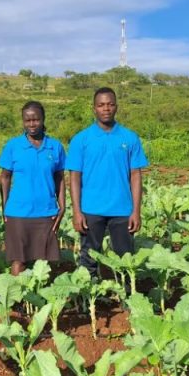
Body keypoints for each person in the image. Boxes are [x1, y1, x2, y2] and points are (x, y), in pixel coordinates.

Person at [67, 87, 148, 276]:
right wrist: (77, 211)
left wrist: (136, 211)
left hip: (122, 210)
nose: (106, 109)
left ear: (116, 107)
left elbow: (136, 175)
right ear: (94, 108)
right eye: (101, 105)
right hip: (90, 209)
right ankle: (89, 301)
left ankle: (127, 300)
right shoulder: (81, 139)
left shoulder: (129, 137)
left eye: (110, 104)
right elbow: (74, 177)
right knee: (88, 258)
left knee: (125, 259)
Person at [0, 101, 66, 275]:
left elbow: (60, 178)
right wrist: (5, 207)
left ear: (43, 119)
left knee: (43, 264)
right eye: (27, 120)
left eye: (36, 120)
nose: (32, 124)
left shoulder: (55, 146)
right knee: (18, 260)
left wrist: (62, 206)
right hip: (18, 212)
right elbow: (5, 177)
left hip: (46, 211)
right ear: (23, 121)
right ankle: (18, 301)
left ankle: (38, 301)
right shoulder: (13, 146)